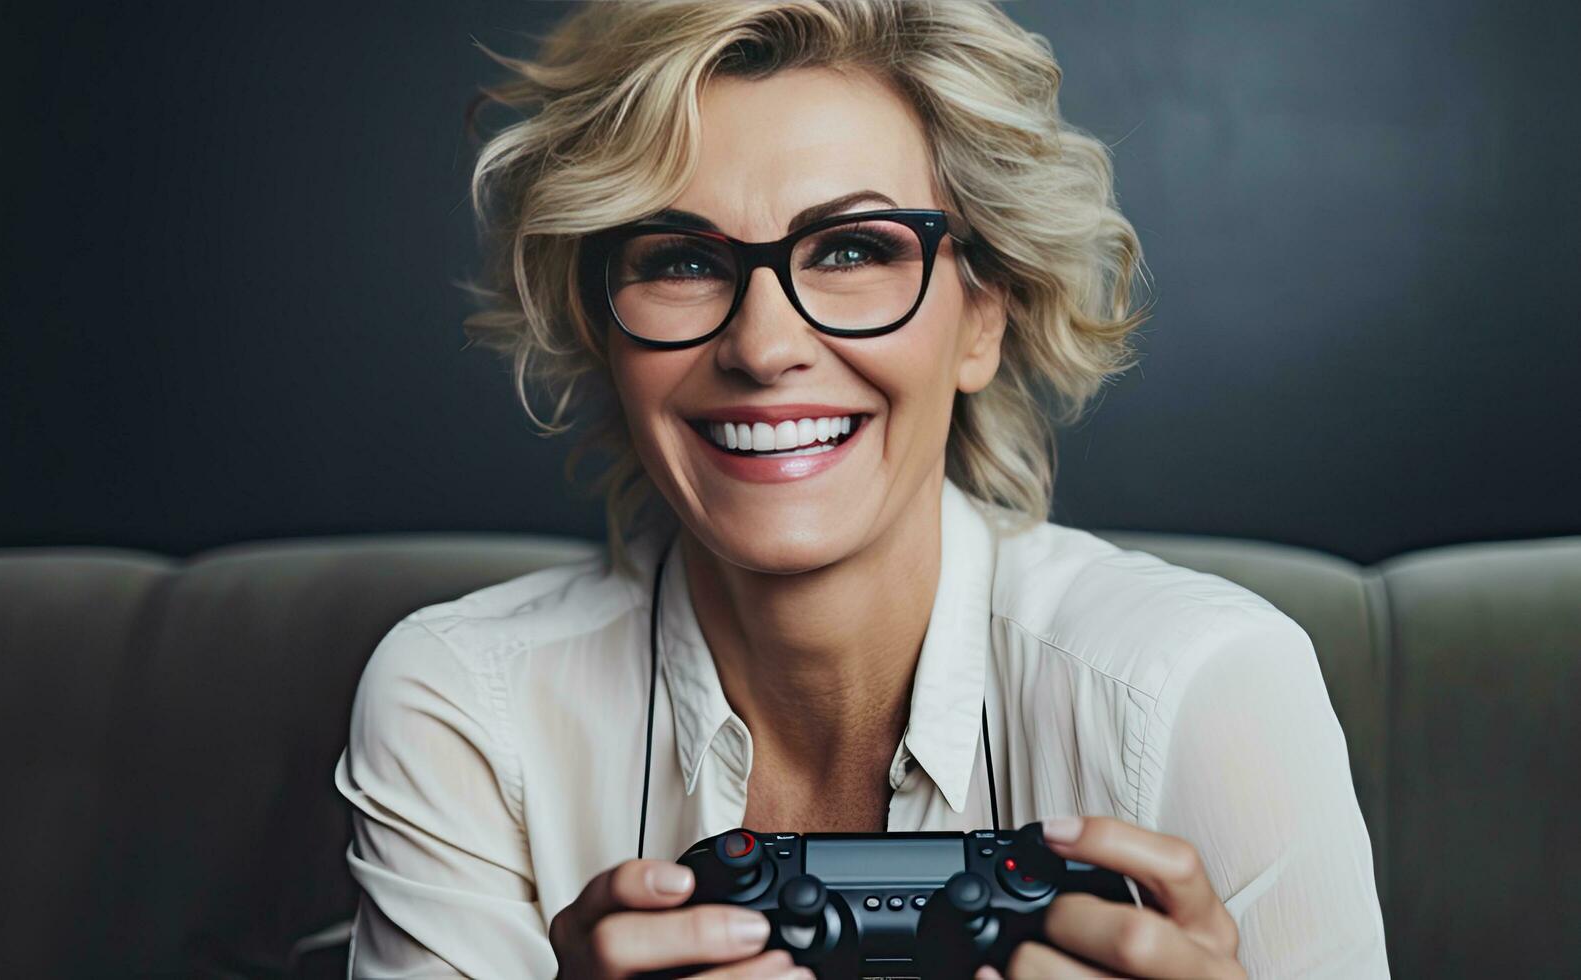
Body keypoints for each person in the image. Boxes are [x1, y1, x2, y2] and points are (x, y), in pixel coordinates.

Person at [333, 1, 1388, 976]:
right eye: (678, 259)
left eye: (849, 248)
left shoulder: (1204, 694)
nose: (763, 343)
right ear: (600, 323)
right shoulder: (461, 707)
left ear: (983, 314)